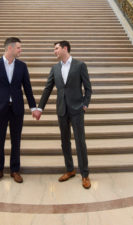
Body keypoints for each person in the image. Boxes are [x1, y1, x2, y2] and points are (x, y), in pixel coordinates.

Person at [33, 41, 92, 189]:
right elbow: (47, 89)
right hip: (61, 110)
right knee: (65, 141)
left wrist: (84, 105)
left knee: (80, 142)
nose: (54, 51)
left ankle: (85, 174)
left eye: (56, 48)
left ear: (65, 48)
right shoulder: (55, 68)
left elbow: (88, 88)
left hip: (77, 109)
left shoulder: (80, 65)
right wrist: (40, 108)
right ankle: (70, 169)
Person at [0, 37, 38, 185]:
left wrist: (33, 107)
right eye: (19, 47)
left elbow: (27, 88)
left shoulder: (22, 66)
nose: (21, 50)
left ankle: (15, 170)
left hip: (17, 109)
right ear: (10, 48)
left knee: (16, 141)